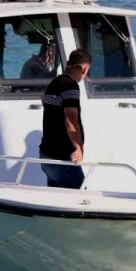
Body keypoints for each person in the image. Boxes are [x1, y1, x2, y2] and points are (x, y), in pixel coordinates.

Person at [39, 48, 90, 189]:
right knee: (80, 200)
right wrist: (78, 147)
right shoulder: (70, 87)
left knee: (56, 200)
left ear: (68, 64)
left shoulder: (52, 84)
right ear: (84, 69)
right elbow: (70, 120)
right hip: (62, 159)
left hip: (46, 157)